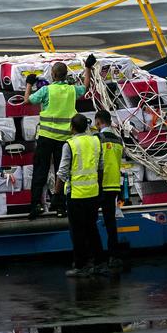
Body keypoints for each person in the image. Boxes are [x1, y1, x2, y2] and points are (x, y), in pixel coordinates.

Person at [25, 54, 95, 220]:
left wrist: (29, 83)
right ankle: (60, 207)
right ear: (65, 75)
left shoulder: (46, 90)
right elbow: (85, 87)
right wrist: (87, 68)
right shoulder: (72, 90)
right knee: (61, 172)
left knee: (40, 171)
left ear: (53, 75)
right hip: (64, 140)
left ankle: (36, 205)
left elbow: (27, 101)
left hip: (46, 137)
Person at [56, 114, 104, 277]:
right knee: (92, 229)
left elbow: (62, 173)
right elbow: (100, 167)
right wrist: (99, 190)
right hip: (93, 193)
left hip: (76, 195)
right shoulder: (96, 141)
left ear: (72, 127)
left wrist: (57, 196)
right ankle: (98, 262)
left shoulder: (70, 144)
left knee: (77, 232)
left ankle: (80, 265)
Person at [94, 109, 126, 270]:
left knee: (91, 222)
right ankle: (114, 256)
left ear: (99, 122)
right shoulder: (119, 140)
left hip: (99, 184)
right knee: (111, 222)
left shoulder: (97, 138)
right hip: (114, 184)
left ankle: (97, 258)